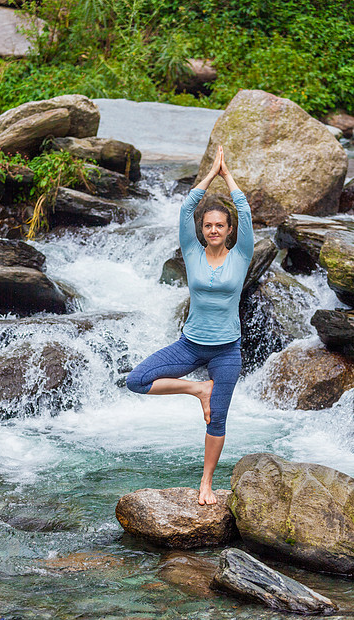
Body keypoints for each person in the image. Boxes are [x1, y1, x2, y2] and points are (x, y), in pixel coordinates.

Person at [126, 145, 254, 505]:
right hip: (190, 344)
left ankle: (206, 484)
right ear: (202, 229)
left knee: (218, 421)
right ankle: (199, 389)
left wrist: (228, 176)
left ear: (230, 230)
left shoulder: (241, 254)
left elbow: (244, 209)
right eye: (208, 225)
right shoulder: (192, 251)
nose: (214, 229)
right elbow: (185, 208)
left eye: (220, 225)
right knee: (136, 380)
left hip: (227, 349)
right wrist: (209, 175)